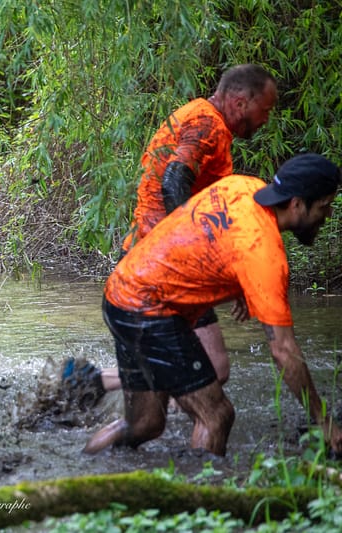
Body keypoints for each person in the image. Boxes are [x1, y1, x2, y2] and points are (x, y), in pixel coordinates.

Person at [83, 153, 342, 457]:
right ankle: (202, 500)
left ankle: (78, 479)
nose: (327, 216)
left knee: (144, 424)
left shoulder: (240, 187)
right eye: (324, 207)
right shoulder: (264, 253)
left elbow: (207, 238)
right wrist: (323, 420)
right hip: (148, 309)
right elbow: (283, 351)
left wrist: (245, 287)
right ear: (297, 203)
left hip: (121, 291)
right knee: (216, 416)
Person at [72, 64, 278, 396]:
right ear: (241, 102)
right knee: (214, 366)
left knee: (192, 369)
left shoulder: (202, 117)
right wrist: (191, 249)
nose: (266, 119)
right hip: (162, 264)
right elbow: (173, 181)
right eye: (264, 109)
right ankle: (88, 382)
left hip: (150, 255)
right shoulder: (207, 124)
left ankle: (88, 383)